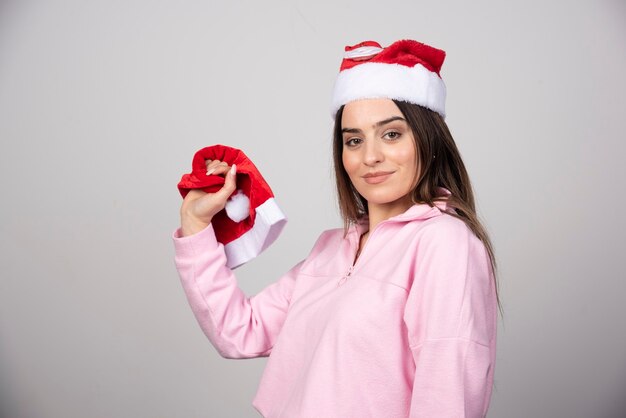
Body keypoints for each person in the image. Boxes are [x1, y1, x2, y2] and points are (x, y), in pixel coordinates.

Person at [173, 39, 498, 418]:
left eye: (391, 134)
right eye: (354, 140)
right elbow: (238, 331)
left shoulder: (446, 243)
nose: (370, 156)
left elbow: (448, 396)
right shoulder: (332, 248)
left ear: (429, 139)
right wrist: (195, 223)